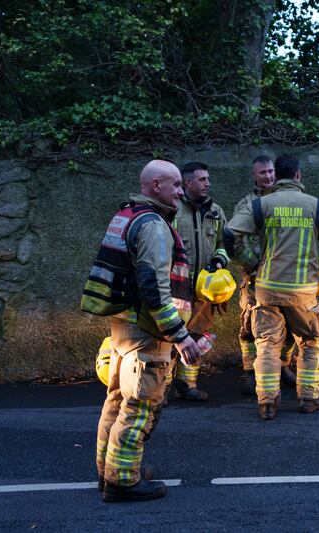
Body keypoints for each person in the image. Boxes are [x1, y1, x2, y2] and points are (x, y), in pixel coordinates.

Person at [81, 160, 200, 502]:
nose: (181, 191)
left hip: (124, 328)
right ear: (155, 185)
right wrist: (180, 334)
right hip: (147, 333)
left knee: (116, 401)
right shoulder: (153, 226)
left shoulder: (127, 216)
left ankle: (110, 470)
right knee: (140, 407)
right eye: (175, 185)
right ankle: (122, 482)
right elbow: (153, 287)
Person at [223, 154, 319, 420]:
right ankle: (309, 399)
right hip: (303, 291)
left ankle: (266, 403)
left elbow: (230, 234)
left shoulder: (260, 205)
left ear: (278, 174)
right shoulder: (317, 206)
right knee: (311, 342)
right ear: (298, 175)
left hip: (267, 289)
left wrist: (251, 262)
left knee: (266, 345)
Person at [232, 155, 297, 395]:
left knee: (290, 325)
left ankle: (283, 366)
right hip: (255, 277)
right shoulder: (246, 204)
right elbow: (235, 238)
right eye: (263, 173)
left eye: (271, 171)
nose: (268, 176)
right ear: (254, 175)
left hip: (286, 276)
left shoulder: (289, 201)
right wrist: (253, 263)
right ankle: (251, 372)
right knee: (249, 327)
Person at [170, 162, 229, 402]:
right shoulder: (172, 209)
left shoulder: (216, 211)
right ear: (187, 183)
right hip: (176, 288)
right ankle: (160, 389)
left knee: (196, 336)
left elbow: (225, 243)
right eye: (202, 179)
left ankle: (187, 384)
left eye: (208, 178)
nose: (208, 183)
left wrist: (219, 259)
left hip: (205, 289)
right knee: (168, 337)